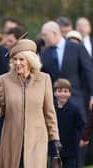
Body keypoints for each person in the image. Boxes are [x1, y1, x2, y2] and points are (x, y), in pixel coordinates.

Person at [0, 39, 60, 168]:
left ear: (30, 60)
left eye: (21, 59)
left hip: (37, 140)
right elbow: (0, 110)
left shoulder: (44, 79)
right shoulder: (4, 80)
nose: (17, 63)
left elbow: (49, 112)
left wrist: (55, 138)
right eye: (15, 59)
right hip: (11, 140)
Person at [40, 21, 93, 168]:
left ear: (55, 33)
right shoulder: (44, 53)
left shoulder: (77, 48)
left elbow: (89, 72)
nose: (43, 38)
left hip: (76, 101)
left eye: (45, 35)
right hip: (54, 105)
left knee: (79, 138)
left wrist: (92, 95)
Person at [49, 78, 85, 168]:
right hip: (55, 148)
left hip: (70, 149)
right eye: (59, 91)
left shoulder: (74, 109)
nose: (62, 94)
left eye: (65, 91)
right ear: (54, 93)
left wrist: (83, 138)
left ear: (70, 93)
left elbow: (81, 125)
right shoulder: (51, 108)